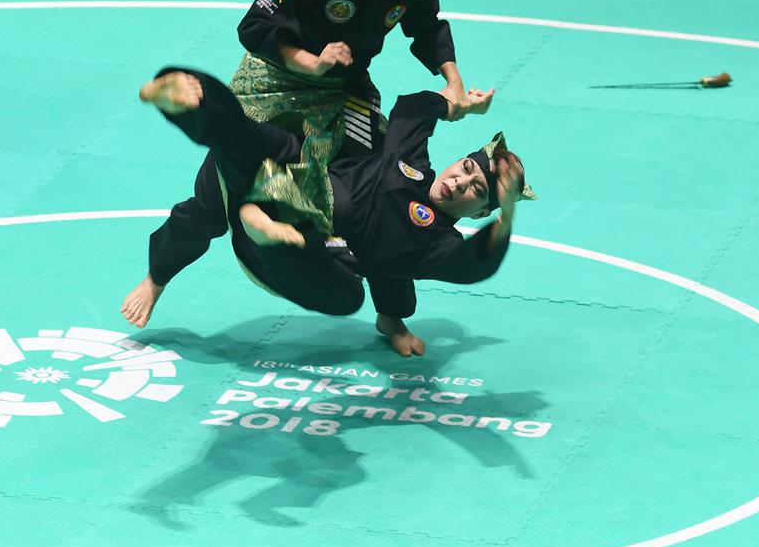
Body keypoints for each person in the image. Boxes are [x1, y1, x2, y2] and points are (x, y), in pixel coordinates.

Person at [122, 0, 477, 329]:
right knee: (216, 198)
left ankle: (390, 315)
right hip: (278, 80)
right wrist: (312, 62)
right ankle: (157, 276)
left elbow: (428, 26)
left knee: (384, 194)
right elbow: (255, 26)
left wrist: (454, 82)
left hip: (345, 89)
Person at [135, 67, 534, 356]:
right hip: (288, 179)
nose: (460, 182)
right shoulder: (410, 160)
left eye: (476, 189)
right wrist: (457, 106)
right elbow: (413, 110)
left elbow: (469, 265)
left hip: (294, 254)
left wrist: (507, 219)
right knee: (242, 139)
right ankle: (191, 98)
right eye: (466, 168)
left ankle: (274, 234)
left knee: (347, 296)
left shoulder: (438, 243)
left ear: (481, 212)